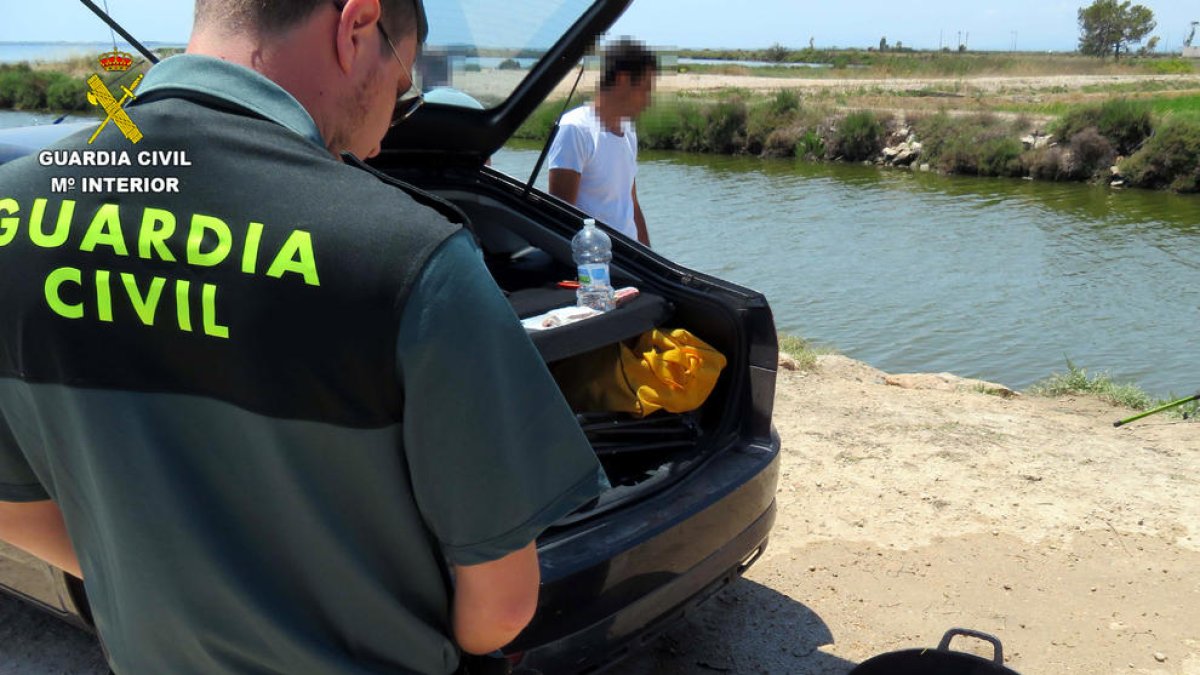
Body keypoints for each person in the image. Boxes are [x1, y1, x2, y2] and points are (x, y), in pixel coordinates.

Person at [0, 1, 606, 673]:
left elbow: (10, 508)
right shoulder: (410, 258)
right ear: (355, 25)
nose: (378, 145)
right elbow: (501, 610)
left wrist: (172, 579)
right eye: (401, 93)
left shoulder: (10, 213)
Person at [547, 38, 657, 247]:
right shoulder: (576, 129)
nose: (648, 100)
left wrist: (652, 261)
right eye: (645, 89)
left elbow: (631, 204)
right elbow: (560, 218)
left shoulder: (628, 131)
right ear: (623, 81)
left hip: (632, 265)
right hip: (597, 266)